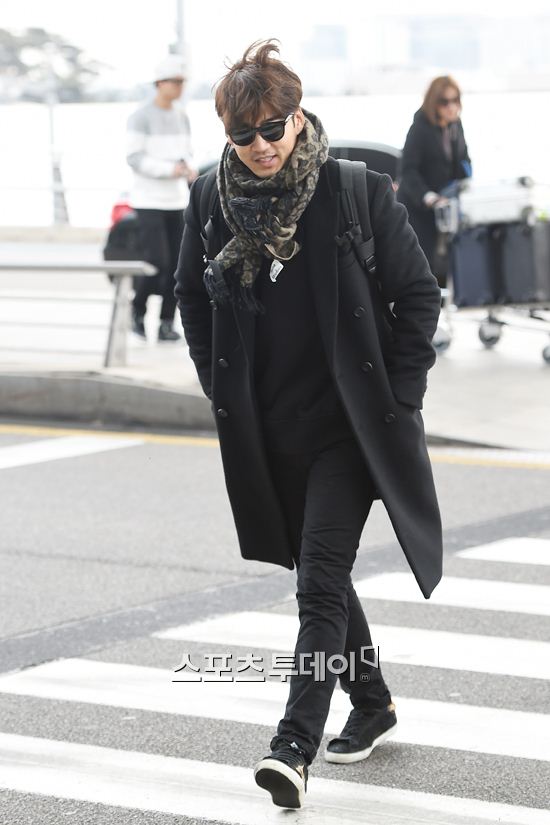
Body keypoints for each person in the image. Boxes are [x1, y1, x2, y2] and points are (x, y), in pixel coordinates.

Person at [174, 40, 442, 810]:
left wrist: (399, 399)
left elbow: (419, 297)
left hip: (349, 430)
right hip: (269, 432)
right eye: (244, 134)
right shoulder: (210, 199)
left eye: (273, 126)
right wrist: (218, 387)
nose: (262, 145)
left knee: (319, 581)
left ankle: (292, 744)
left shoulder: (353, 190)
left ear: (297, 116)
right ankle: (373, 700)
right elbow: (192, 295)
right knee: (321, 574)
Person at [126, 54, 197, 341]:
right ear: (159, 83)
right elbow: (134, 158)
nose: (179, 87)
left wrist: (188, 167)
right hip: (148, 201)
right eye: (175, 81)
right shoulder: (140, 116)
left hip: (177, 201)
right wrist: (170, 170)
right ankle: (137, 312)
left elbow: (187, 151)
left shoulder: (182, 115)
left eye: (182, 82)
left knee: (178, 268)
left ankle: (167, 323)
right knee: (157, 262)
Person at [397, 75, 472, 286]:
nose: (452, 107)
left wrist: (467, 185)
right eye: (445, 102)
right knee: (423, 264)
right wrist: (428, 197)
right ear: (434, 102)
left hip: (446, 204)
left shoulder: (455, 126)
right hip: (419, 207)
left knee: (452, 260)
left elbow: (463, 161)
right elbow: (407, 171)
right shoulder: (419, 129)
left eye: (455, 100)